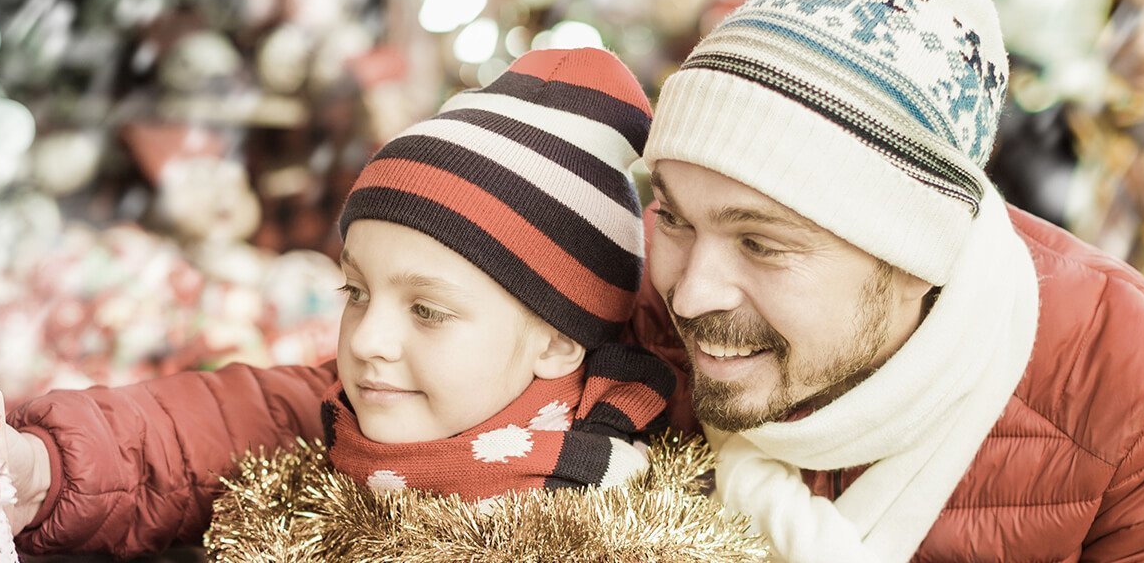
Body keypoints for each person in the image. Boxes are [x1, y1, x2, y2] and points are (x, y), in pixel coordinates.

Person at [0, 0, 1144, 559]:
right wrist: (50, 466)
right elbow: (347, 405)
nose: (691, 294)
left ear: (908, 257)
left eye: (764, 243)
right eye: (677, 214)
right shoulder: (630, 293)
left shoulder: (1123, 384)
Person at [195, 47, 762, 561]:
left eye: (428, 311)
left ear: (559, 340)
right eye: (357, 293)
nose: (366, 340)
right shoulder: (310, 472)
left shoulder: (615, 535)